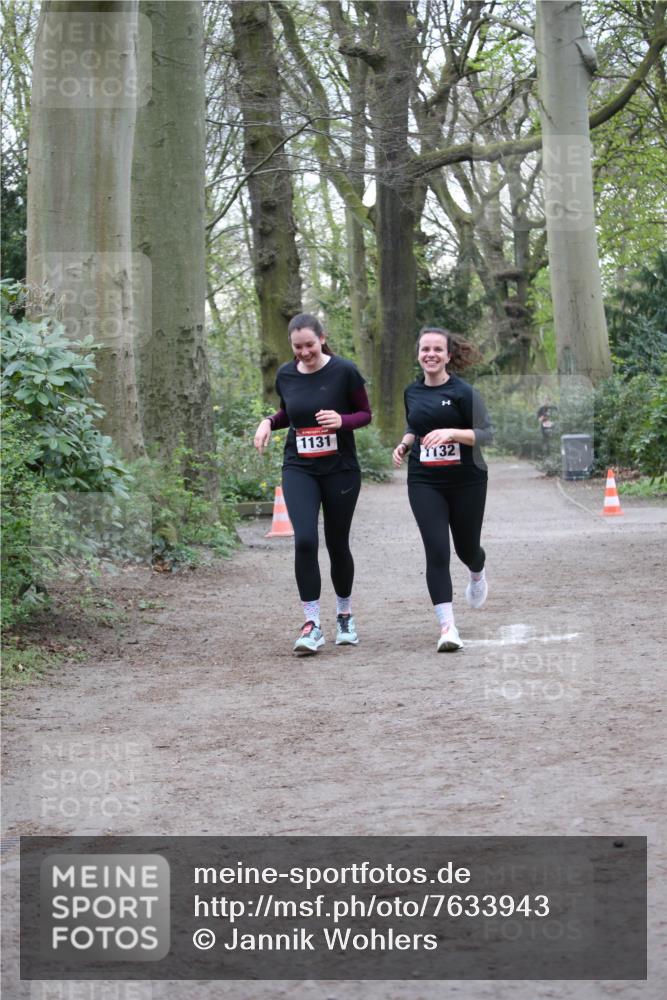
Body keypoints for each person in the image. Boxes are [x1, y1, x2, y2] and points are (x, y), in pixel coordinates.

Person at [254, 314, 372, 655]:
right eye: (297, 346)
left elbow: (365, 414)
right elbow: (289, 413)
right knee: (305, 540)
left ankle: (345, 615)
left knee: (337, 544)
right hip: (299, 467)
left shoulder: (344, 371)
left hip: (341, 469)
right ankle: (312, 624)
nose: (304, 352)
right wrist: (267, 422)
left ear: (322, 338)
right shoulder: (286, 374)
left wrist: (342, 421)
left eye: (309, 345)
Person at [392, 327, 493, 652]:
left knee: (466, 549)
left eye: (437, 349)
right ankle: (447, 627)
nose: (430, 355)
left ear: (449, 355)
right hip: (425, 480)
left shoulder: (464, 392)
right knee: (437, 551)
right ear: (418, 354)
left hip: (467, 480)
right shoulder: (411, 392)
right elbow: (415, 425)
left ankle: (477, 571)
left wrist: (452, 432)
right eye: (425, 349)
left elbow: (487, 434)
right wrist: (406, 444)